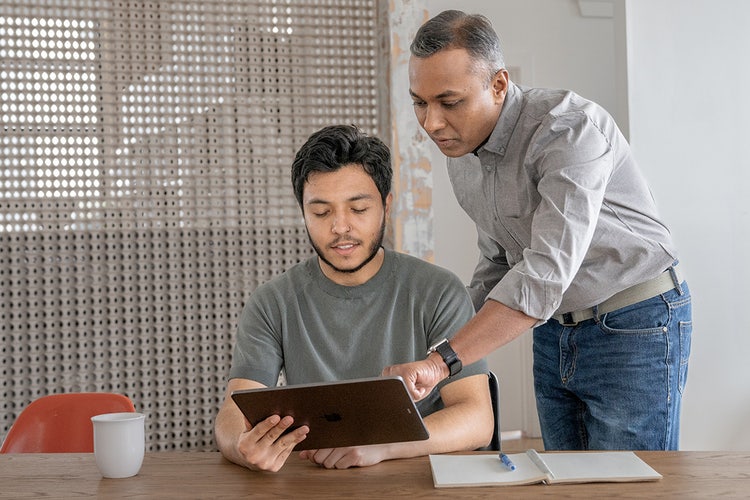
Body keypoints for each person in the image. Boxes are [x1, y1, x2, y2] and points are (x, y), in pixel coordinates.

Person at [383, 10, 692, 451]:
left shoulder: (569, 129)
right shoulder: (463, 152)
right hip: (553, 328)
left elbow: (543, 274)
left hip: (635, 323)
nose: (431, 123)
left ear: (499, 85)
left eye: (449, 103)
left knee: (628, 486)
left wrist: (441, 362)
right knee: (564, 479)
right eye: (420, 102)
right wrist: (435, 344)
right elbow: (497, 262)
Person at [215, 124, 493, 472]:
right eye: (321, 212)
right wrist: (241, 448)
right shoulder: (273, 301)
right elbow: (232, 413)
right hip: (318, 483)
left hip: (421, 480)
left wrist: (382, 446)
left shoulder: (437, 291)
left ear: (385, 206)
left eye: (358, 209)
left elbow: (477, 418)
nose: (340, 227)